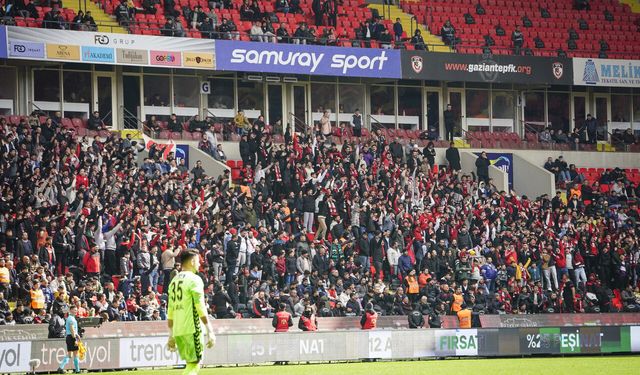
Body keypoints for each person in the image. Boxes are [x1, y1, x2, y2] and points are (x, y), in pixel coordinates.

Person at [167, 250, 216, 375]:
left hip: (179, 330)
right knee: (195, 365)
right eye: (198, 261)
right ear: (193, 261)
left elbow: (171, 310)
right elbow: (200, 307)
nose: (200, 264)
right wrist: (209, 330)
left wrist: (171, 334)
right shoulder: (195, 279)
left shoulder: (174, 281)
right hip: (192, 328)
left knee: (190, 364)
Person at [57, 305, 81, 374]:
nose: (76, 311)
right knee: (76, 354)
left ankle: (61, 367)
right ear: (70, 310)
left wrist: (77, 335)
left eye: (76, 310)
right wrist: (75, 338)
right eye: (74, 310)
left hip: (69, 337)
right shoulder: (71, 319)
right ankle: (77, 370)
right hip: (71, 337)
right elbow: (72, 329)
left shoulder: (71, 318)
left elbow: (73, 329)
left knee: (70, 355)